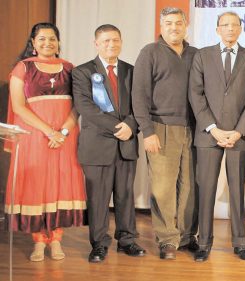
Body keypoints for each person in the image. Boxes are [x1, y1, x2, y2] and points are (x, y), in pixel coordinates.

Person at [4, 22, 86, 262]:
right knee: (37, 184)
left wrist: (63, 132)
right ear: (33, 42)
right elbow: (19, 106)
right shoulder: (23, 68)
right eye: (41, 39)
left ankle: (57, 239)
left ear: (58, 42)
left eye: (52, 39)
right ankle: (39, 242)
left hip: (64, 138)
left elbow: (77, 106)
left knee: (60, 183)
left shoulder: (70, 68)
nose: (47, 43)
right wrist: (49, 132)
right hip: (34, 136)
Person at [189, 11, 245, 262]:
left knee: (237, 190)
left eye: (235, 25)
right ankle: (204, 242)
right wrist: (213, 128)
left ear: (241, 28)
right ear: (217, 29)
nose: (230, 29)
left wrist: (239, 130)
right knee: (206, 188)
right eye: (225, 25)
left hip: (239, 136)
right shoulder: (202, 55)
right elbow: (196, 95)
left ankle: (240, 243)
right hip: (209, 134)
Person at [72, 24, 146, 263]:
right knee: (98, 199)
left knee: (125, 195)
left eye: (115, 40)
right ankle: (99, 244)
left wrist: (132, 125)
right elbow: (86, 108)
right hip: (97, 146)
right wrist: (119, 128)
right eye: (105, 41)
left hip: (126, 145)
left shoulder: (132, 71)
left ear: (121, 42)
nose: (111, 44)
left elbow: (140, 105)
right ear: (96, 44)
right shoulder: (82, 72)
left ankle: (127, 240)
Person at [132, 7, 199, 260]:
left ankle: (185, 236)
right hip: (160, 128)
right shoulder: (150, 52)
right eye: (169, 23)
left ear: (186, 25)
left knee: (190, 187)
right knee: (163, 188)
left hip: (192, 129)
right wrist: (147, 131)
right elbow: (139, 95)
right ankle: (167, 239)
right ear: (162, 26)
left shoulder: (196, 54)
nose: (174, 27)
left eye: (178, 23)